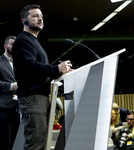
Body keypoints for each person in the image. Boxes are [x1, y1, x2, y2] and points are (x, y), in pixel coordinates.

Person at [12, 4, 73, 150]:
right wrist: (56, 68)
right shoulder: (23, 40)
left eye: (41, 16)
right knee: (35, 144)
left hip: (39, 98)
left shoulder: (33, 41)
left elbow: (37, 71)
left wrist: (59, 72)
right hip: (33, 98)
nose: (40, 19)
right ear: (24, 20)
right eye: (35, 16)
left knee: (40, 143)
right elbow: (29, 66)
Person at [0, 36, 20, 150]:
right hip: (3, 107)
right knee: (3, 139)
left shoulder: (21, 62)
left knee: (16, 138)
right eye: (12, 44)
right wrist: (11, 86)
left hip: (19, 107)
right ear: (5, 46)